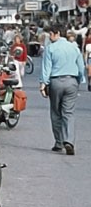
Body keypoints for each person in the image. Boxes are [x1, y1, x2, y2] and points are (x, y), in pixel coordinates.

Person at [39, 24, 86, 155]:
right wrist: (80, 79)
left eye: (51, 35)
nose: (50, 37)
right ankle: (69, 141)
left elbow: (46, 68)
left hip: (55, 82)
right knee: (68, 113)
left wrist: (43, 84)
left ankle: (59, 142)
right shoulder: (74, 47)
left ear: (57, 33)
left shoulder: (50, 49)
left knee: (56, 113)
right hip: (71, 82)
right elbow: (81, 66)